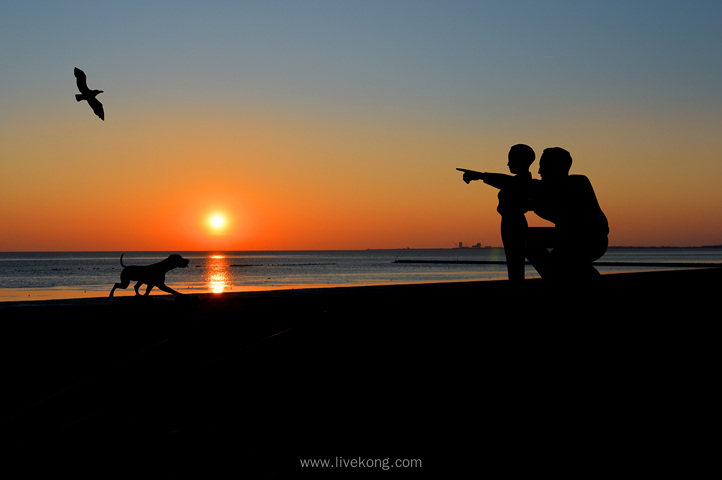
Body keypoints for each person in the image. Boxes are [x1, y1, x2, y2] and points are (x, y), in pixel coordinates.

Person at [525, 147, 609, 280]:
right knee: (530, 240)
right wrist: (483, 176)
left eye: (543, 167)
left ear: (556, 168)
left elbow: (541, 192)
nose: (539, 171)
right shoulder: (550, 189)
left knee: (550, 263)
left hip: (586, 241)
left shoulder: (576, 183)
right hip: (569, 240)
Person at [460, 144, 536, 281]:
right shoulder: (517, 181)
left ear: (521, 161)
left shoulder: (523, 182)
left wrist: (480, 176)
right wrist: (480, 176)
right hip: (509, 222)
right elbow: (504, 181)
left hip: (514, 223)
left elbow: (506, 181)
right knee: (513, 260)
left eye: (511, 159)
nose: (508, 163)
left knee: (515, 260)